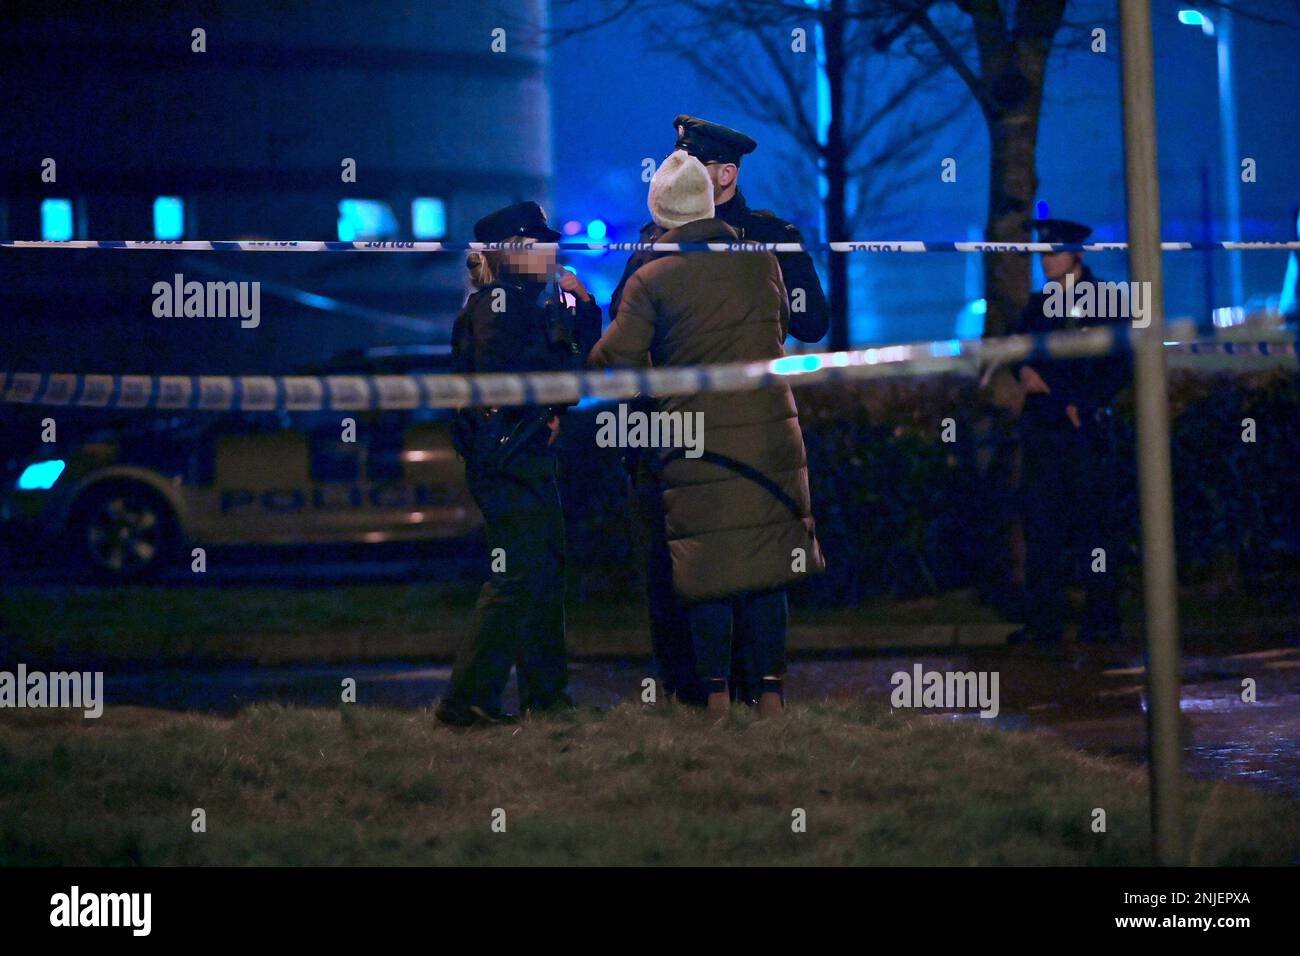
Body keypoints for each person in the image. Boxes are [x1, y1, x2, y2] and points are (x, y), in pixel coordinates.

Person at [589, 150, 825, 719]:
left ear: (661, 213)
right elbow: (785, 327)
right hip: (771, 430)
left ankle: (714, 696)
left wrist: (581, 312)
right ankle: (769, 694)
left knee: (708, 569)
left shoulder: (651, 277)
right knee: (769, 567)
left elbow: (612, 359)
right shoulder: (763, 260)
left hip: (698, 436)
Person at [436, 201, 601, 727]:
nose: (553, 250)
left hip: (522, 451)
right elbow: (527, 377)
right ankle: (465, 703)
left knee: (543, 570)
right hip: (508, 455)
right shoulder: (499, 303)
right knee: (516, 575)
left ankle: (546, 698)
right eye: (539, 242)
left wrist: (583, 312)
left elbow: (567, 381)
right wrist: (545, 404)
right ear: (514, 253)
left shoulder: (526, 302)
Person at [1007, 218, 1132, 647]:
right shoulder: (1038, 306)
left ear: (1075, 255)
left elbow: (1118, 363)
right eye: (1042, 253)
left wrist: (1080, 400)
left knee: (1094, 527)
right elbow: (1015, 349)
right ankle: (1046, 622)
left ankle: (1102, 618)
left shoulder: (1107, 301)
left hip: (1084, 431)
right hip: (1045, 431)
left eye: (1052, 252)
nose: (1045, 260)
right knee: (1043, 526)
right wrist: (1023, 369)